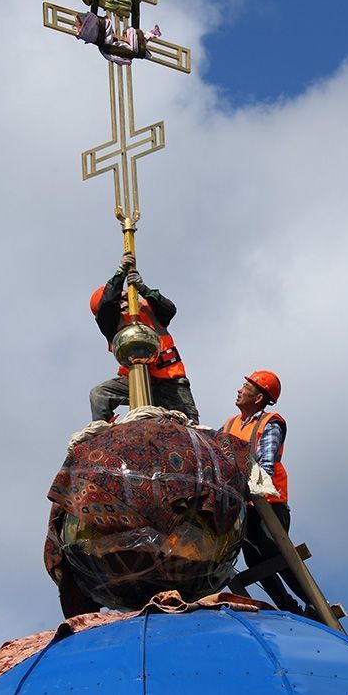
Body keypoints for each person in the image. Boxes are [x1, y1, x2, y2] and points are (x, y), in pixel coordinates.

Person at [221, 370, 314, 615]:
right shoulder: (230, 425)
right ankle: (289, 608)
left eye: (246, 387)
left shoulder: (270, 422)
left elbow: (267, 462)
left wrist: (247, 483)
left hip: (269, 503)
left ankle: (311, 602)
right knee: (254, 560)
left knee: (273, 551)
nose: (240, 390)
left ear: (259, 397)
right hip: (243, 505)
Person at [89, 251, 199, 423]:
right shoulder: (109, 322)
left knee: (189, 424)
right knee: (99, 394)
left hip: (170, 379)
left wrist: (143, 289)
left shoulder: (146, 307)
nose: (125, 300)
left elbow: (170, 309)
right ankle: (103, 429)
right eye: (120, 299)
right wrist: (120, 273)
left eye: (124, 296)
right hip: (134, 378)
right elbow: (107, 303)